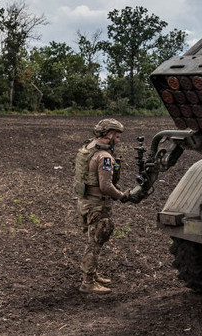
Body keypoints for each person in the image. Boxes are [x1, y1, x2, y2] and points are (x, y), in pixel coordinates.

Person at [74, 118, 132, 294]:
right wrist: (122, 196)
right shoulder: (104, 157)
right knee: (95, 243)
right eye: (118, 137)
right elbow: (106, 186)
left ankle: (92, 273)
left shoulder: (88, 149)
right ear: (109, 135)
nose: (118, 140)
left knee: (92, 240)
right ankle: (88, 282)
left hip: (85, 202)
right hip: (97, 205)